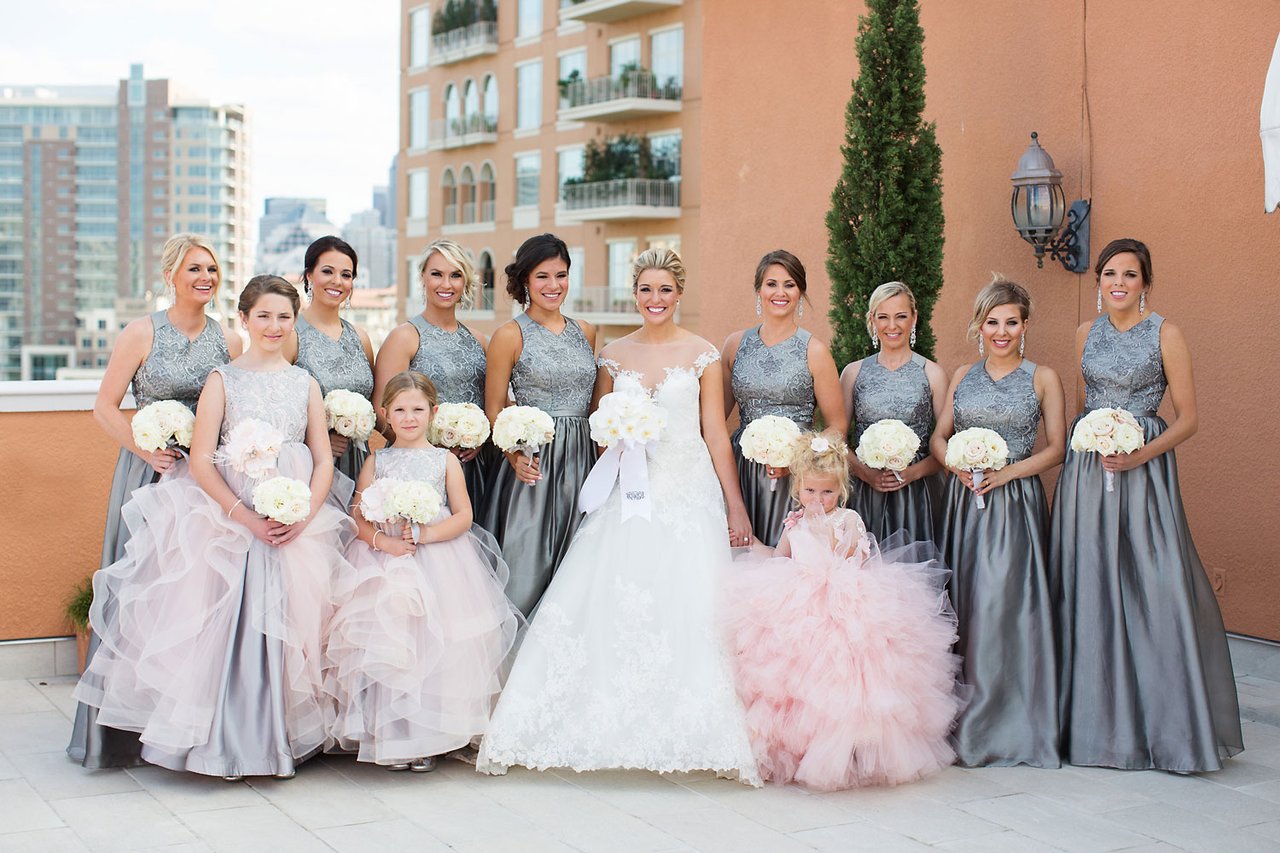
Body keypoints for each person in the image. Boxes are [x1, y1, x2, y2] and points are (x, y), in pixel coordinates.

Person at [477, 248, 761, 785]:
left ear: (680, 294)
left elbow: (715, 433)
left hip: (685, 490)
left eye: (665, 290)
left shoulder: (703, 355)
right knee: (612, 596)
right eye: (646, 290)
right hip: (625, 489)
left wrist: (735, 504)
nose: (655, 300)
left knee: (688, 603)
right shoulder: (609, 354)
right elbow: (595, 426)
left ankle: (695, 727)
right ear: (635, 295)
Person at [74, 276, 354, 780]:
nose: (274, 326)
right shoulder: (222, 380)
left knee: (289, 624)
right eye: (263, 316)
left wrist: (305, 513)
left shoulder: (305, 383)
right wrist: (243, 516)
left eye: (284, 317)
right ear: (244, 320)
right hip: (228, 518)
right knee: (226, 621)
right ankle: (220, 742)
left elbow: (322, 460)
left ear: (295, 322)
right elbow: (201, 461)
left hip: (293, 521)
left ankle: (279, 737)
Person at [1054, 238, 1242, 771]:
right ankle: (1094, 725)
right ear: (1098, 283)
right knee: (1089, 582)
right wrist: (1091, 445)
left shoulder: (1167, 332)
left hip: (1144, 470)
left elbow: (1188, 418)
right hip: (1087, 473)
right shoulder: (1084, 334)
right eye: (1109, 273)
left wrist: (1140, 453)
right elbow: (1084, 404)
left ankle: (1168, 727)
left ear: (1145, 283)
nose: (1118, 282)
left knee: (1150, 582)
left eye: (1129, 275)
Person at [68, 233, 240, 769]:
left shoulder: (230, 341)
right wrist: (146, 447)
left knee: (198, 598)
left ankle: (192, 726)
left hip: (209, 481)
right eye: (194, 269)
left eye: (211, 268)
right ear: (171, 274)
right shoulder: (141, 332)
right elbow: (104, 406)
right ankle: (119, 736)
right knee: (140, 592)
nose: (205, 277)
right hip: (149, 476)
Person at [722, 432, 961, 790]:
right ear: (798, 489)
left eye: (827, 492)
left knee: (840, 678)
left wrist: (836, 575)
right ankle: (796, 749)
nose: (818, 500)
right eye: (810, 491)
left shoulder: (847, 520)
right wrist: (752, 543)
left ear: (842, 490)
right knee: (791, 676)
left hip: (840, 599)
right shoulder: (795, 520)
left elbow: (857, 561)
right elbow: (779, 557)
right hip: (796, 599)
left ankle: (840, 750)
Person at [326, 371, 521, 773]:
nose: (409, 417)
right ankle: (395, 734)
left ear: (432, 412)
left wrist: (423, 533)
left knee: (437, 647)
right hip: (386, 565)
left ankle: (430, 735)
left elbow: (464, 516)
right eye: (399, 409)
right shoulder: (377, 460)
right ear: (385, 414)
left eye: (418, 409)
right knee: (394, 646)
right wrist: (386, 543)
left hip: (440, 564)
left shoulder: (444, 460)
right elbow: (357, 515)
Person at [931, 277, 1065, 768]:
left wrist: (1007, 473)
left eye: (1011, 322)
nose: (1002, 331)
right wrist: (957, 466)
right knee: (966, 604)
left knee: (1007, 607)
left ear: (1025, 325)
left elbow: (1056, 447)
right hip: (965, 505)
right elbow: (939, 438)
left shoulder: (1043, 377)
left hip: (1016, 505)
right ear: (979, 326)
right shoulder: (963, 373)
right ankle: (963, 724)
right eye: (993, 322)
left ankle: (1012, 723)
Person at [480, 234, 597, 616]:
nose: (553, 286)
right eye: (542, 276)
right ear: (525, 281)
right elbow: (494, 408)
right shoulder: (509, 335)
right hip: (535, 464)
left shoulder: (586, 331)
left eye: (561, 275)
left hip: (584, 462)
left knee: (580, 567)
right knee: (526, 568)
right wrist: (514, 455)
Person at [723, 250, 846, 545]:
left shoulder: (814, 350)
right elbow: (717, 419)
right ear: (759, 290)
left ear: (800, 292)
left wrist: (800, 458)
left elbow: (837, 425)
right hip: (743, 470)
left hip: (797, 477)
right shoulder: (734, 345)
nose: (780, 292)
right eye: (771, 284)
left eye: (789, 284)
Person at [373, 240, 499, 523]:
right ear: (423, 278)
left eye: (455, 275)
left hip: (476, 466)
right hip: (421, 473)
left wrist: (481, 438)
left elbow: (493, 404)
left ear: (465, 281)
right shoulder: (404, 337)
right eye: (437, 274)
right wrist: (427, 455)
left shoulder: (481, 341)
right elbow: (380, 412)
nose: (446, 283)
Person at [841, 281, 947, 543]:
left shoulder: (932, 374)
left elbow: (946, 444)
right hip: (865, 492)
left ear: (914, 318)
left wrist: (913, 473)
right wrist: (867, 474)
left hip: (918, 493)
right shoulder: (853, 373)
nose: (892, 326)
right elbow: (838, 440)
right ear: (872, 321)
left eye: (901, 316)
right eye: (883, 317)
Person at [286, 236, 375, 483]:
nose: (337, 281)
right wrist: (319, 438)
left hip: (361, 464)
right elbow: (276, 409)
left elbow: (377, 406)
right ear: (309, 276)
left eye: (346, 275)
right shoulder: (291, 336)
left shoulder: (361, 338)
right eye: (327, 271)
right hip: (309, 468)